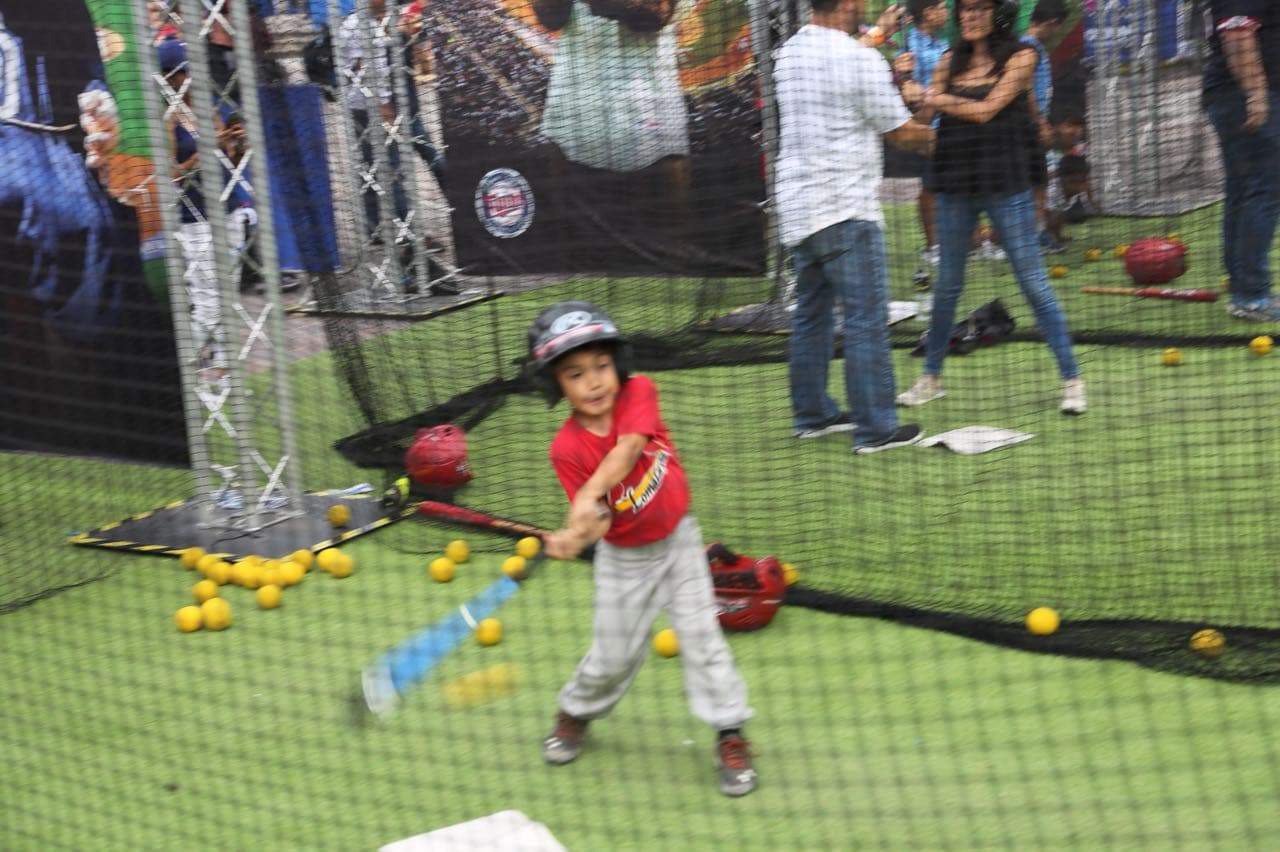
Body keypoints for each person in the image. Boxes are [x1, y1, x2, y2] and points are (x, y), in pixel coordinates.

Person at [527, 300, 758, 798]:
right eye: (574, 373)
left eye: (601, 366)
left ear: (618, 366)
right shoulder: (565, 449)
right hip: (624, 560)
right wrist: (575, 536)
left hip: (680, 544)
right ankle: (575, 711)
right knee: (611, 656)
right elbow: (602, 519)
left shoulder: (639, 393)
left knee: (703, 640)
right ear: (556, 385)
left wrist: (588, 495)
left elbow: (629, 448)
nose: (593, 382)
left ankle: (730, 733)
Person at [898, 0, 1085, 414]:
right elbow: (924, 120)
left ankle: (1072, 380)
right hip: (954, 183)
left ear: (998, 13)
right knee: (947, 285)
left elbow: (984, 110)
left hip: (1005, 183)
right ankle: (930, 378)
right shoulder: (949, 60)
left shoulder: (1022, 55)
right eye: (964, 9)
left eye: (979, 8)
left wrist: (930, 93)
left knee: (1034, 284)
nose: (969, 15)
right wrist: (901, 84)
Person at [773, 0, 933, 452]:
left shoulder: (790, 53)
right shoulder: (858, 59)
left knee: (812, 314)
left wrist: (879, 36)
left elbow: (844, 60)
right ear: (845, 4)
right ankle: (877, 429)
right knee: (866, 320)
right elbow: (901, 133)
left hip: (799, 209)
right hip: (845, 209)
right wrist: (941, 123)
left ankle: (813, 415)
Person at [1201, 0, 1280, 321]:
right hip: (1244, 98)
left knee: (1244, 190)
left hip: (1235, 97)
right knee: (1265, 190)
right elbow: (1237, 36)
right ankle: (1250, 294)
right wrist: (1257, 95)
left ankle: (1244, 289)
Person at [895, 0, 950, 267]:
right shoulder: (911, 46)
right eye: (942, 7)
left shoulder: (941, 44)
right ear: (928, 13)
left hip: (950, 123)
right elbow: (907, 91)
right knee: (929, 186)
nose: (947, 13)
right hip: (924, 126)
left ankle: (955, 239)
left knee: (952, 184)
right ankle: (933, 245)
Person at [1020, 0, 1065, 253]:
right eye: (1057, 28)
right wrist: (1040, 123)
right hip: (1029, 126)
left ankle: (1036, 234)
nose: (1056, 33)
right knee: (1035, 182)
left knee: (1040, 181)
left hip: (1033, 124)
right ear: (1051, 23)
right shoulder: (1028, 48)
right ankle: (1031, 237)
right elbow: (1025, 88)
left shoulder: (1033, 46)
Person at [1043, 153, 1095, 245]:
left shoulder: (1074, 191)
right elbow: (1047, 215)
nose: (1077, 186)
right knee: (1052, 219)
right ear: (1061, 179)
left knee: (1061, 216)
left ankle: (1057, 236)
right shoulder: (1053, 191)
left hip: (1056, 207)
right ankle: (1047, 239)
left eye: (1081, 181)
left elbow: (1060, 216)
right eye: (1072, 182)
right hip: (1037, 214)